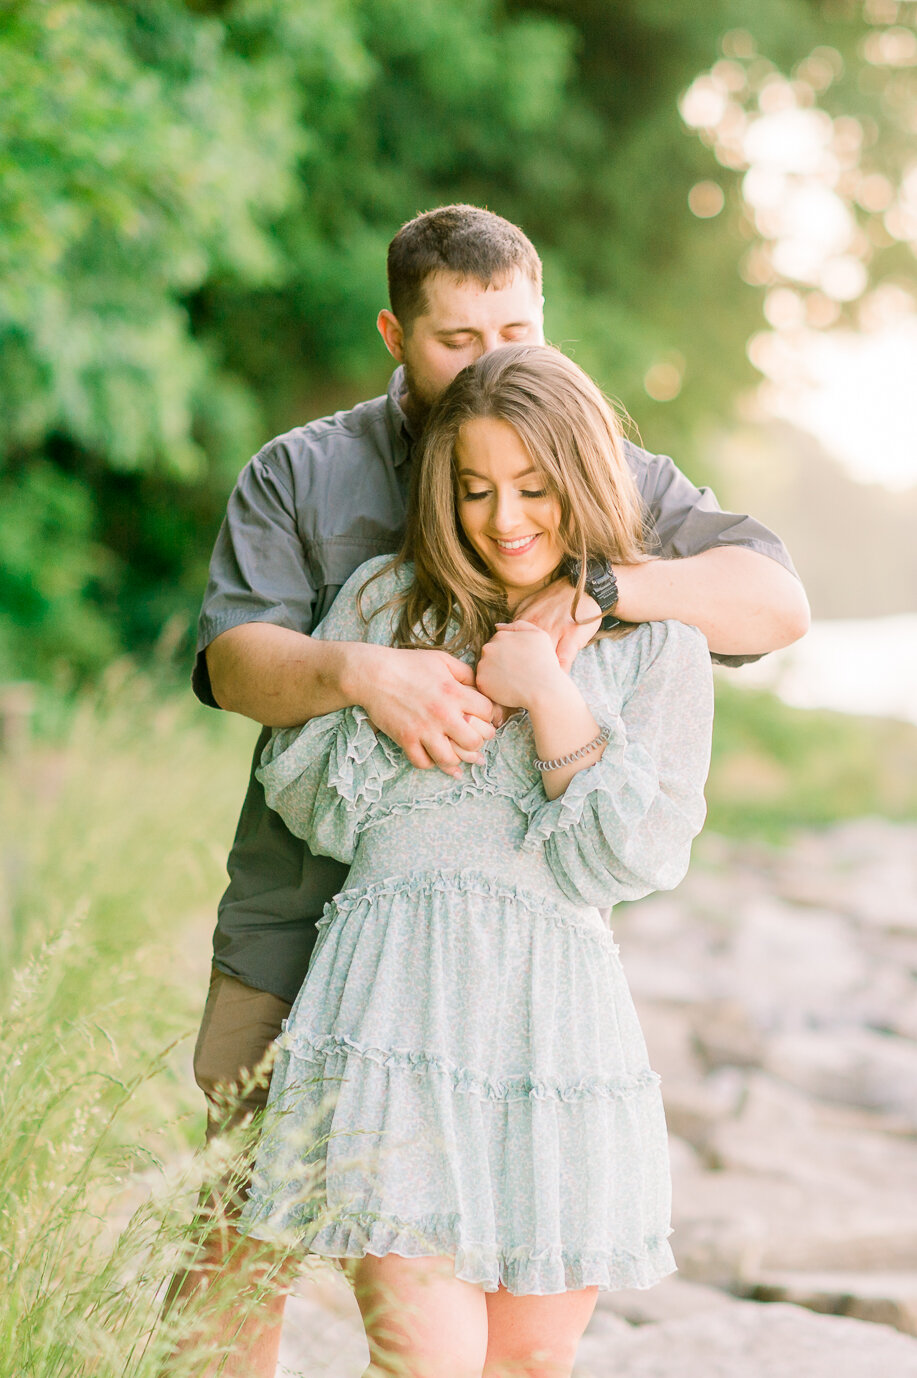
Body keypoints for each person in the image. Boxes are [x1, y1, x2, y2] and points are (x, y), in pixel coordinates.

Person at [171, 205, 808, 1377]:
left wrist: (609, 592)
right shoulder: (305, 474)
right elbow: (229, 664)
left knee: (513, 1328)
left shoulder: (591, 459)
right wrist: (365, 675)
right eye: (458, 339)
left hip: (524, 968)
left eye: (518, 328)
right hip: (302, 912)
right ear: (395, 336)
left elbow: (771, 604)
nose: (494, 357)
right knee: (238, 1234)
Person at [236, 343, 715, 1378]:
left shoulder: (654, 644)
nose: (503, 519)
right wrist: (389, 697)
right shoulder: (383, 601)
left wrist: (549, 695)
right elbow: (310, 801)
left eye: (534, 488)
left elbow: (626, 859)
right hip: (397, 1018)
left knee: (531, 1362)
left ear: (582, 477)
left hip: (555, 1032)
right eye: (476, 489)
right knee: (426, 1364)